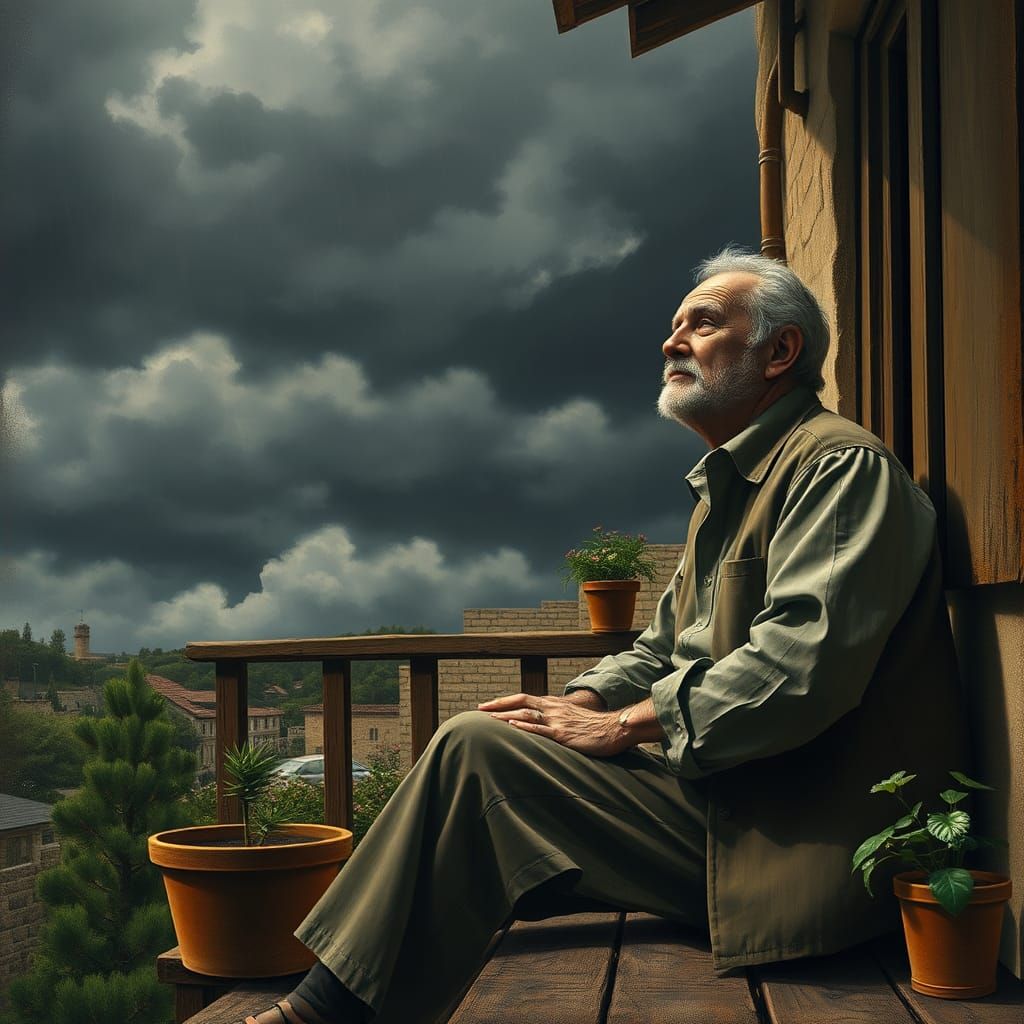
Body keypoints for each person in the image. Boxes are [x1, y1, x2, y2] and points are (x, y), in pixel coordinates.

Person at [242, 248, 966, 1024]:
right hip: (727, 808)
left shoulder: (840, 469)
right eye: (673, 325)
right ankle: (338, 1004)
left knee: (471, 753)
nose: (671, 341)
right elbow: (661, 646)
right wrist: (572, 707)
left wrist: (621, 725)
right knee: (495, 739)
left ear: (780, 353)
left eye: (704, 322)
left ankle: (316, 1015)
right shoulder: (727, 489)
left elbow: (800, 669)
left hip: (792, 842)